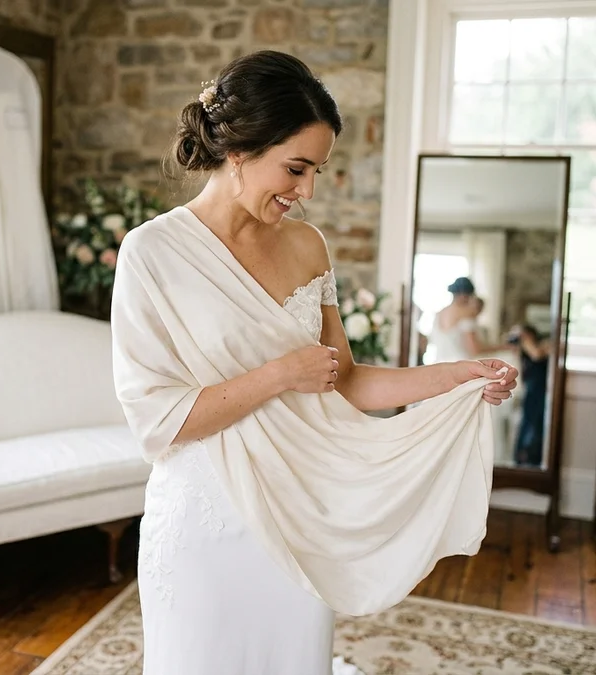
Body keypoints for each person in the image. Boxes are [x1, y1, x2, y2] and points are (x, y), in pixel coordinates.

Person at [109, 51, 519, 674]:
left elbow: (346, 380)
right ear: (239, 150)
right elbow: (156, 423)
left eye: (317, 171)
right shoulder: (152, 253)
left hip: (301, 517)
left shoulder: (307, 246)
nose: (307, 191)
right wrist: (279, 375)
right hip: (205, 521)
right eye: (296, 168)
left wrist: (458, 376)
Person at [425, 278, 507, 363]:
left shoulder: (438, 315)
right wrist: (503, 347)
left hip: (439, 365)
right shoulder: (466, 316)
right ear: (465, 295)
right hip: (461, 366)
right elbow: (475, 350)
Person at [511, 324, 551, 467]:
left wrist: (523, 340)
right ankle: (523, 456)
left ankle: (532, 456)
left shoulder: (542, 344)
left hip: (539, 389)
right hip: (531, 389)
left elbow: (537, 354)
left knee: (536, 422)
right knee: (528, 422)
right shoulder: (522, 349)